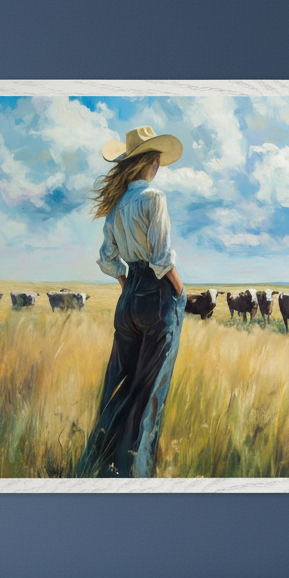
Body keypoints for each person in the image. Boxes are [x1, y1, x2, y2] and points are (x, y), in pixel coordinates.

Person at [77, 126, 187, 478]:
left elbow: (108, 259)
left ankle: (97, 462)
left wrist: (128, 285)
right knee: (149, 390)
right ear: (152, 162)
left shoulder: (116, 207)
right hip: (158, 294)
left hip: (128, 299)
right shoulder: (154, 198)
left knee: (119, 383)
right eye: (158, 161)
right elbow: (162, 257)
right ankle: (135, 472)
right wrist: (179, 291)